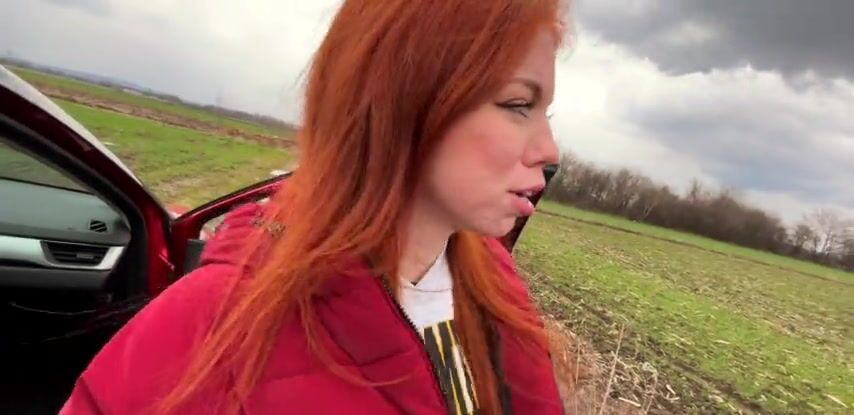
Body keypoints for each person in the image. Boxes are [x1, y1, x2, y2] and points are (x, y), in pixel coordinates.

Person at [60, 0, 567, 413]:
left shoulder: (495, 282)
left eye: (545, 111)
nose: (549, 151)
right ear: (405, 99)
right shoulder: (210, 328)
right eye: (518, 105)